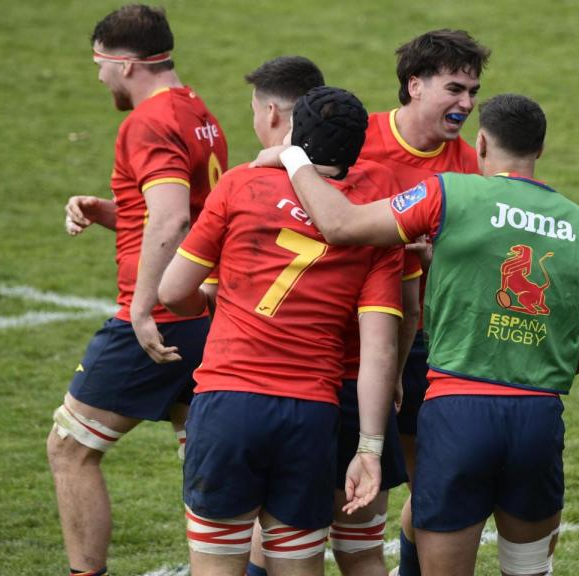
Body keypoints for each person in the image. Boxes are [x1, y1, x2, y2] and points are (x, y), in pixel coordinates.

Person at [253, 92, 579, 576]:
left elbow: (340, 224)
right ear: (539, 150)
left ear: (481, 143)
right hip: (538, 418)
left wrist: (293, 157)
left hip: (458, 414)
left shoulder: (449, 193)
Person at [157, 85, 401, 576]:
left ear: (293, 134)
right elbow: (379, 352)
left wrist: (212, 302)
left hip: (228, 402)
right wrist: (369, 448)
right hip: (309, 413)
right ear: (357, 147)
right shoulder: (374, 220)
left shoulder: (240, 185)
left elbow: (172, 291)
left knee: (217, 565)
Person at [46, 5, 227, 575]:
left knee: (70, 448)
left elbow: (172, 218)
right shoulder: (198, 112)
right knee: (206, 465)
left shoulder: (147, 121)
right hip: (207, 312)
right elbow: (190, 211)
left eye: (99, 64)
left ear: (125, 64)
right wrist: (114, 212)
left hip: (158, 318)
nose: (99, 77)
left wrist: (144, 309)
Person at [227, 57, 408, 576]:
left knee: (271, 541)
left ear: (276, 115)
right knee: (361, 550)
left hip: (282, 390)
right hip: (362, 389)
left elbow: (200, 291)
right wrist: (394, 376)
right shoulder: (383, 186)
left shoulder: (248, 187)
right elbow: (408, 305)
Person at [358, 28, 490, 576]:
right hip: (349, 334)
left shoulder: (467, 166)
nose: (467, 103)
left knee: (432, 485)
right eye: (454, 89)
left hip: (425, 339)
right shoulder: (359, 138)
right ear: (414, 85)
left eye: (473, 91)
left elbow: (483, 261)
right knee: (330, 489)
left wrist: (439, 255)